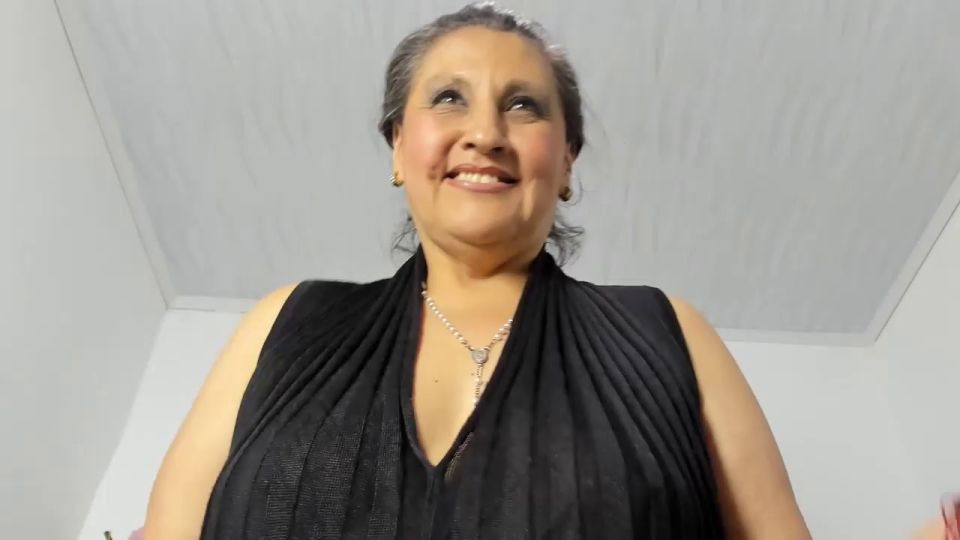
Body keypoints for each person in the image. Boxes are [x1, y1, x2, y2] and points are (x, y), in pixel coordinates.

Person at [145, 3, 812, 538]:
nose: (487, 133)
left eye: (523, 105)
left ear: (567, 161)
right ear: (399, 147)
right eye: (448, 98)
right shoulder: (284, 323)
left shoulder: (668, 334)